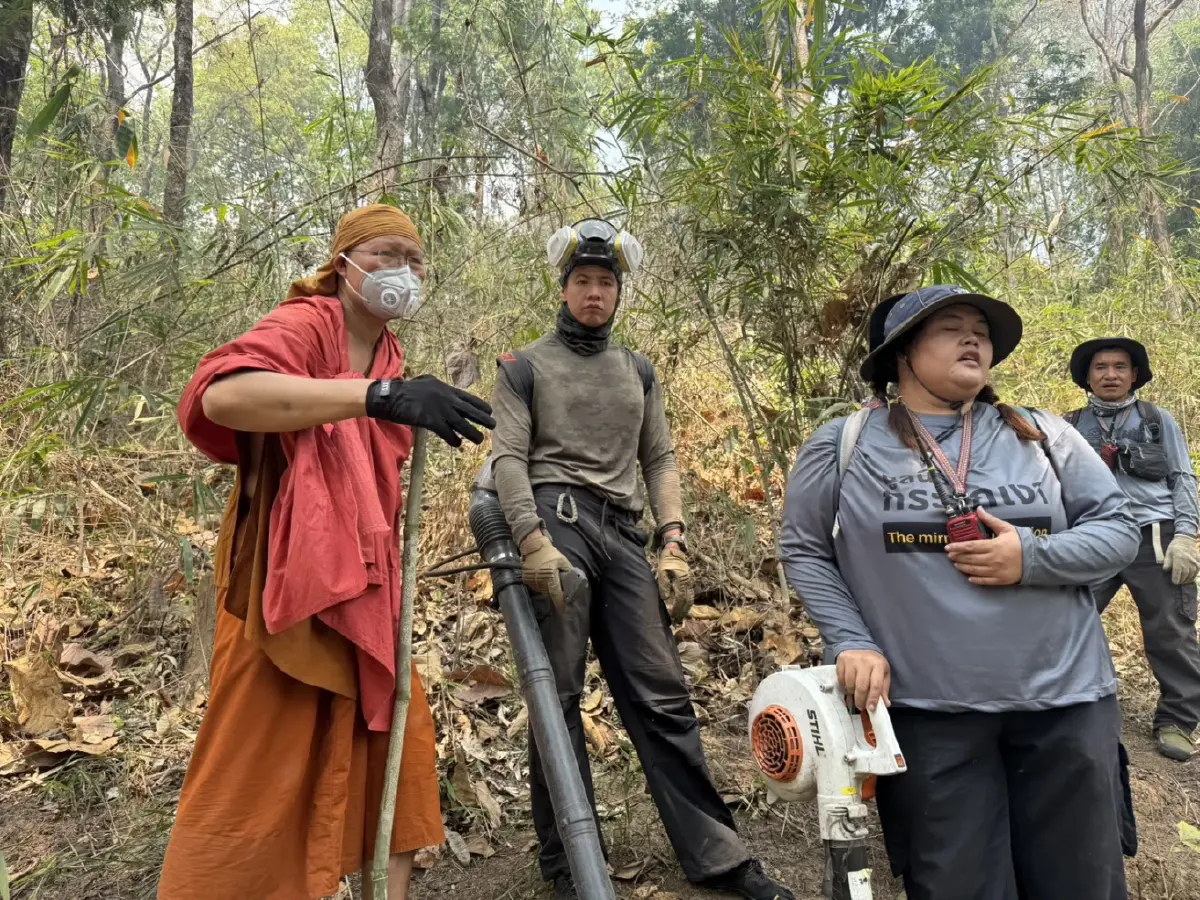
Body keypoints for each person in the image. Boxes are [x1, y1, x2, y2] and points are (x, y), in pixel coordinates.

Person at [159, 204, 495, 900]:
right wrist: (376, 397)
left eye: (414, 258)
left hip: (368, 591)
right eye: (383, 254)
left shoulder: (394, 353)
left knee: (398, 760)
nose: (402, 270)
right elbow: (223, 397)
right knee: (254, 774)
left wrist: (391, 391)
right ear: (342, 265)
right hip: (284, 592)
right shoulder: (307, 323)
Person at [780, 286, 1140, 900]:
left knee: (1080, 882)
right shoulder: (845, 445)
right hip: (930, 713)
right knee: (957, 884)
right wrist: (851, 641)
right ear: (901, 353)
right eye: (951, 327)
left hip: (1065, 703)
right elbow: (806, 550)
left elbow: (1119, 531)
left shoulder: (1044, 435)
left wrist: (1030, 557)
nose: (974, 337)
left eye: (981, 328)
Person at [488, 219, 794, 900]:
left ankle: (720, 857)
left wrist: (675, 538)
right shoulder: (523, 366)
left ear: (619, 293)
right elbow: (508, 456)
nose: (594, 293)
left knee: (662, 695)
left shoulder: (638, 371)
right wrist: (530, 540)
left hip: (623, 535)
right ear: (563, 289)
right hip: (556, 523)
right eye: (583, 282)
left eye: (606, 283)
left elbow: (659, 457)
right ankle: (568, 868)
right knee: (557, 694)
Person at [1065, 337, 1200, 761]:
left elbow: (1182, 477)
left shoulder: (1157, 420)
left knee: (1170, 630)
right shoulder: (1068, 425)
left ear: (1134, 375)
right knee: (1067, 618)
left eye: (1119, 367)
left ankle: (1178, 720)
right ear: (1087, 377)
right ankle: (1070, 704)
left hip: (1153, 535)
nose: (1110, 374)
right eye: (1100, 367)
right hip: (1092, 534)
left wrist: (1186, 535)